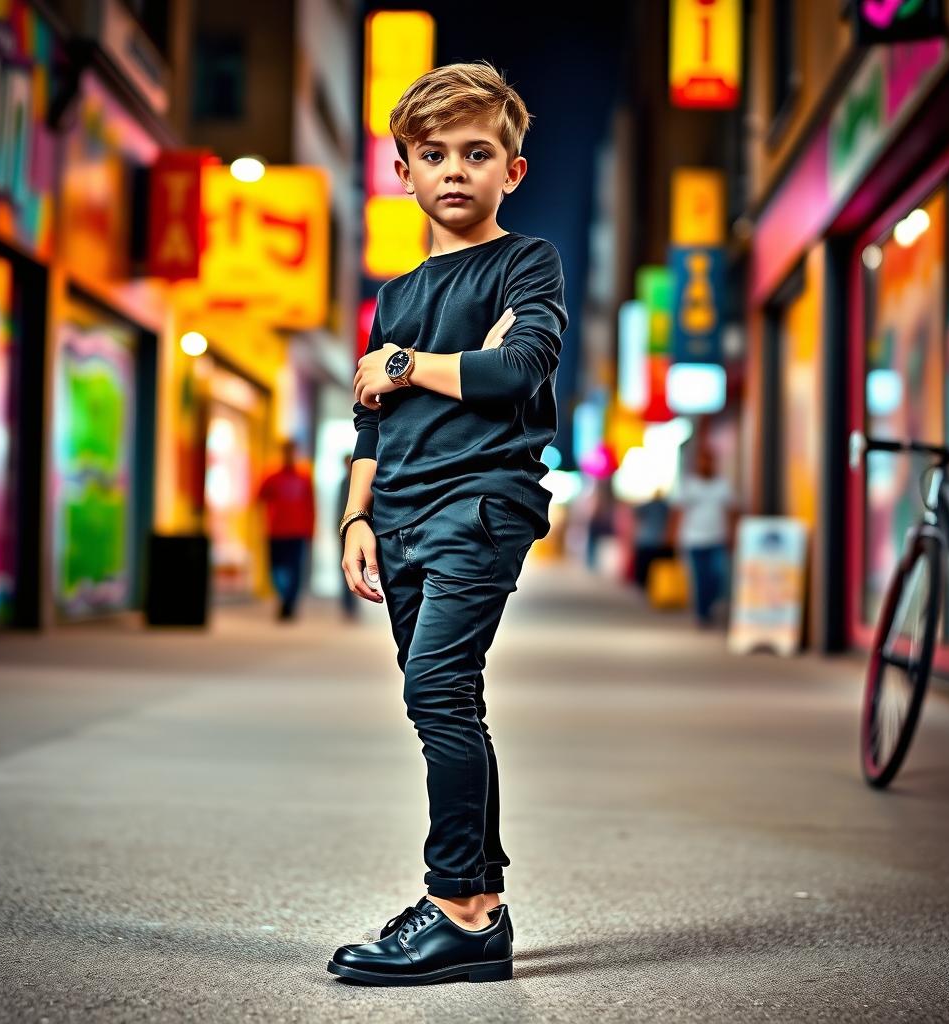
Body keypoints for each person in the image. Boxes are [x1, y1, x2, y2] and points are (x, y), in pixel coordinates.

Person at [328, 61, 567, 986]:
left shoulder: (526, 261)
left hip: (481, 505)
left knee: (433, 691)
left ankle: (458, 908)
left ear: (512, 168)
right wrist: (355, 517)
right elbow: (368, 418)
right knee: (449, 701)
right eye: (435, 154)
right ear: (405, 172)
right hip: (397, 516)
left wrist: (404, 362)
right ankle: (482, 907)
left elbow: (519, 370)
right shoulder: (395, 295)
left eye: (479, 152)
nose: (455, 170)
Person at [668, 444, 736, 629]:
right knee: (699, 578)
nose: (706, 464)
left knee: (717, 576)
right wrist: (672, 536)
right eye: (702, 460)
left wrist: (732, 535)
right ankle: (702, 613)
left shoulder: (722, 485)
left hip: (717, 538)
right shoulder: (689, 485)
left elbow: (731, 512)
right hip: (693, 539)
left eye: (709, 460)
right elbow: (677, 512)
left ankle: (709, 606)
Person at [255, 439, 315, 621]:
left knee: (295, 570)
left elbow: (311, 505)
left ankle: (289, 603)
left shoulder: (304, 477)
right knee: (277, 568)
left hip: (298, 531)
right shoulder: (271, 477)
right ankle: (284, 597)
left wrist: (311, 529)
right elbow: (259, 498)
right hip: (276, 531)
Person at [632, 489, 672, 589]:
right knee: (657, 567)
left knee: (644, 566)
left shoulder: (648, 505)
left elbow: (636, 512)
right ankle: (655, 585)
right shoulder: (666, 507)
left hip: (646, 539)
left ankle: (643, 584)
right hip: (660, 539)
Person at [335, 453, 357, 620]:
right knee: (345, 568)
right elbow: (338, 510)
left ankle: (352, 603)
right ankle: (347, 603)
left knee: (356, 568)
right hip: (344, 533)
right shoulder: (344, 483)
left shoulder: (358, 483)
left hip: (356, 533)